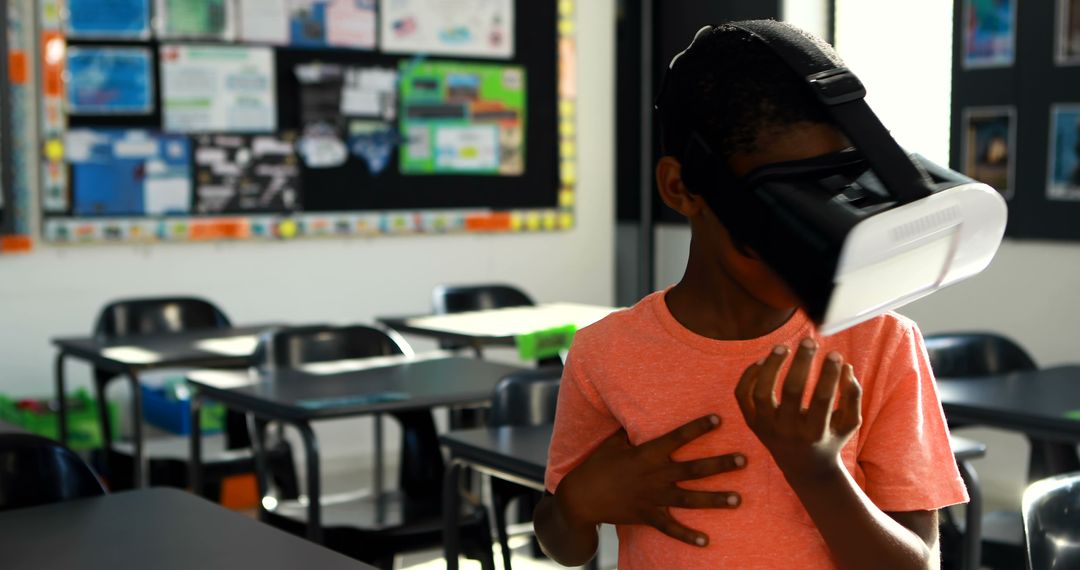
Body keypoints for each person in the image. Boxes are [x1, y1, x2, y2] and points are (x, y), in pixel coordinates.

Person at [533, 20, 967, 569]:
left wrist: (817, 472)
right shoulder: (606, 353)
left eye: (828, 201)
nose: (806, 247)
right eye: (778, 220)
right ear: (681, 187)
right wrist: (578, 503)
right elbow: (562, 544)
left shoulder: (880, 342)